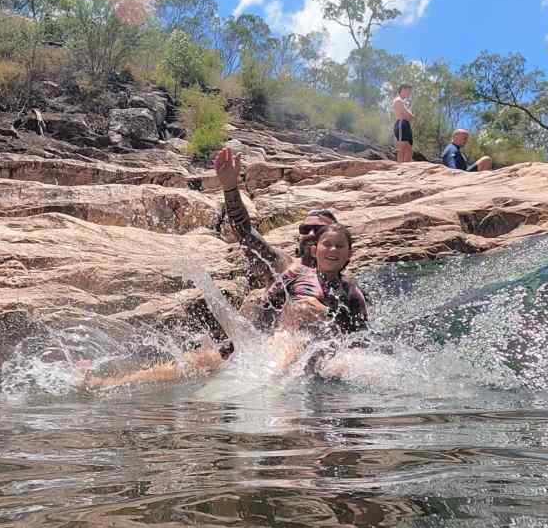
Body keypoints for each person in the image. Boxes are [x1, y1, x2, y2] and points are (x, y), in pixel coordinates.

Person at [81, 224, 368, 388]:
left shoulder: (351, 291)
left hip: (308, 351)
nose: (332, 250)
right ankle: (109, 382)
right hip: (272, 343)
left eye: (339, 246)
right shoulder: (293, 274)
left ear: (349, 254)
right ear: (314, 249)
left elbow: (358, 338)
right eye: (326, 244)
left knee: (303, 320)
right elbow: (264, 312)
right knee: (197, 362)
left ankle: (267, 386)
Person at [214, 146, 337, 293]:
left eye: (319, 230)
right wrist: (229, 187)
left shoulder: (345, 288)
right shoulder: (282, 265)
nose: (310, 234)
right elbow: (244, 231)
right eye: (305, 229)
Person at [391, 84, 415, 163]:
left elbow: (409, 116)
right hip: (401, 124)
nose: (409, 93)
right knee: (402, 147)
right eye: (408, 91)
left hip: (405, 125)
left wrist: (409, 115)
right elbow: (409, 115)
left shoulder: (403, 102)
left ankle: (406, 168)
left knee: (409, 149)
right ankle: (400, 169)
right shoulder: (398, 100)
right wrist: (410, 115)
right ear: (403, 90)